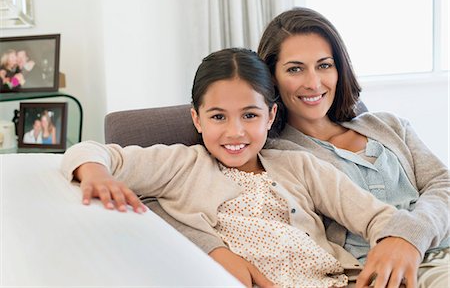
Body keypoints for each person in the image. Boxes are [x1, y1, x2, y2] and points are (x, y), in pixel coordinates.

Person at [62, 48, 401, 288]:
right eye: (218, 117)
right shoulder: (182, 163)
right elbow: (90, 150)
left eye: (249, 115)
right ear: (197, 118)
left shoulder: (298, 164)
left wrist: (390, 245)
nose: (235, 132)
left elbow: (375, 215)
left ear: (270, 116)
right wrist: (96, 172)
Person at [257, 7, 449, 288]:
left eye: (324, 65)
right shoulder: (280, 158)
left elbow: (443, 185)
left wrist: (409, 237)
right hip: (387, 275)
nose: (313, 83)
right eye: (295, 69)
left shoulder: (388, 125)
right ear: (271, 77)